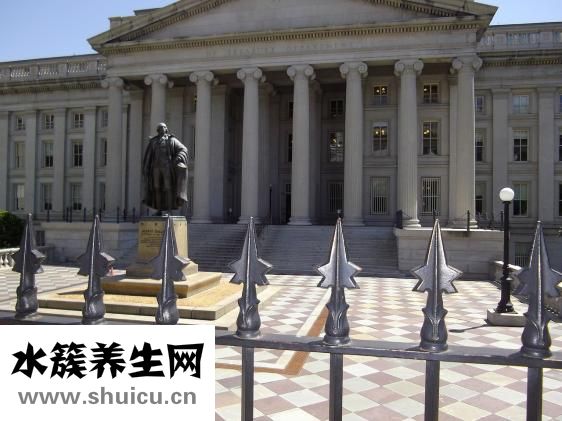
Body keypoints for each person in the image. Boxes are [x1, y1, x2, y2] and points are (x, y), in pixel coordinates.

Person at [142, 123, 188, 214]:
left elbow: (183, 149)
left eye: (163, 127)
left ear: (166, 129)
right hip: (156, 168)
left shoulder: (171, 140)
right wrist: (146, 168)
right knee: (156, 188)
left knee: (168, 187)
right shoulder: (153, 141)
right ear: (157, 130)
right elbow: (149, 156)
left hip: (167, 167)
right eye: (159, 128)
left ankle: (169, 210)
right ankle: (159, 210)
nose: (161, 129)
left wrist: (177, 159)